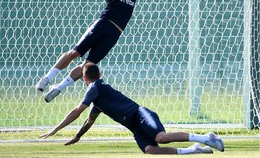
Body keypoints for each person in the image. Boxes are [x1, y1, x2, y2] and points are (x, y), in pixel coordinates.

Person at [35, 0, 177, 103]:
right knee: (75, 53)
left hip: (115, 33)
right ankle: (46, 78)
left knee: (88, 65)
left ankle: (58, 88)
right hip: (103, 24)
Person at [40, 63, 225, 155]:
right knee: (150, 150)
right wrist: (78, 136)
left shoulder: (94, 88)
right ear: (100, 74)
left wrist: (55, 129)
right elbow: (89, 120)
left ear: (85, 79)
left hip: (141, 114)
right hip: (134, 126)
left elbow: (76, 111)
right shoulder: (97, 98)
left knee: (162, 138)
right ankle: (193, 149)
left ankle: (207, 138)